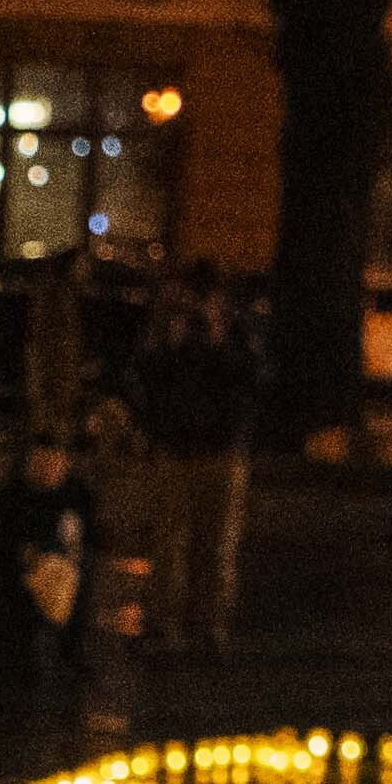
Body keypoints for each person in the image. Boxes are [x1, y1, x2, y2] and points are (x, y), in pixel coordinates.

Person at [125, 275, 255, 658]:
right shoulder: (169, 331)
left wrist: (217, 341)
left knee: (215, 547)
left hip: (220, 452)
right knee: (169, 544)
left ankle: (209, 627)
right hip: (176, 450)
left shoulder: (235, 334)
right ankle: (167, 625)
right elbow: (145, 378)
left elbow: (251, 380)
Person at [0, 402, 111, 734]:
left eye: (55, 462)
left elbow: (91, 538)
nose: (48, 469)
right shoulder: (12, 496)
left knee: (74, 582)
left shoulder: (77, 494)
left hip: (65, 575)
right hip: (23, 577)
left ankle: (70, 650)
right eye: (40, 462)